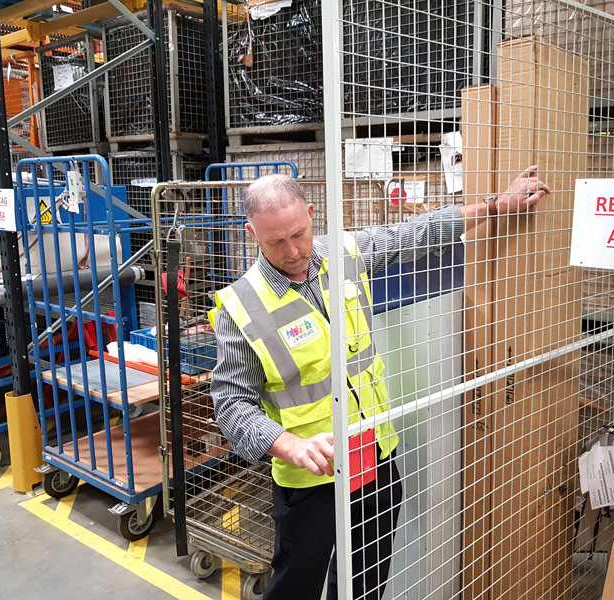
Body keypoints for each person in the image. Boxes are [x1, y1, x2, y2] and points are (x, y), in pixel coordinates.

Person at [208, 168, 550, 600]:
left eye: (300, 233)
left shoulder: (346, 252)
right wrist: (287, 444)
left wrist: (498, 205)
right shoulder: (241, 306)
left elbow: (416, 232)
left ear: (312, 215)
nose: (293, 251)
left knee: (366, 580)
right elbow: (232, 404)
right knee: (297, 583)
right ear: (252, 233)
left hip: (376, 456)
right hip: (311, 476)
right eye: (276, 242)